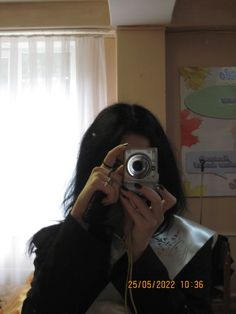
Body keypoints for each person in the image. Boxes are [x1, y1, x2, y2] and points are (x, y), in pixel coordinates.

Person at [22, 103, 221, 314]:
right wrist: (78, 215)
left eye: (139, 164)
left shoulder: (190, 241)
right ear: (94, 168)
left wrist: (140, 254)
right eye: (117, 163)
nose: (126, 175)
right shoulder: (56, 239)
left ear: (159, 166)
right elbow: (40, 309)